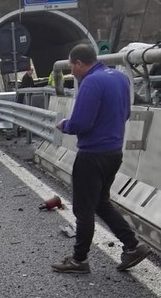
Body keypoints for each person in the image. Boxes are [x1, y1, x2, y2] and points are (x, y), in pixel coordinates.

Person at [52, 42, 152, 274]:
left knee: (84, 209)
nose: (71, 72)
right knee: (100, 203)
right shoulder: (119, 78)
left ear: (79, 63)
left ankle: (79, 260)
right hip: (114, 152)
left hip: (92, 155)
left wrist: (64, 125)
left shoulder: (91, 82)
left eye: (71, 67)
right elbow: (126, 112)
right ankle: (132, 245)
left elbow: (80, 123)